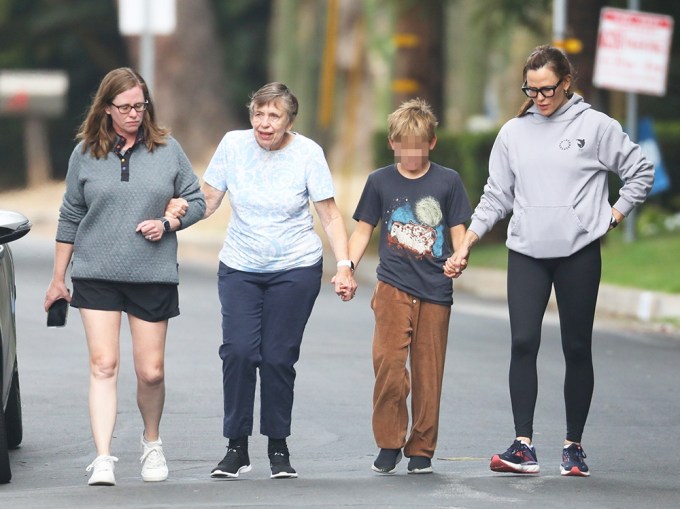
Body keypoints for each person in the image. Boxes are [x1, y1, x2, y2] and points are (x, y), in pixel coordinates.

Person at [447, 45, 655, 477]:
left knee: (576, 347)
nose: (539, 97)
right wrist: (468, 240)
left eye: (547, 89)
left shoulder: (596, 126)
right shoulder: (513, 134)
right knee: (523, 342)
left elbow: (640, 170)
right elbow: (496, 196)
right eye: (532, 89)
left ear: (566, 82)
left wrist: (614, 216)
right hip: (526, 252)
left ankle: (573, 446)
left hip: (578, 252)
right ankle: (523, 445)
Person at [43, 67, 206, 486]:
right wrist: (59, 277)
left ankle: (151, 443)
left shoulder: (168, 150)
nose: (134, 113)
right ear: (107, 108)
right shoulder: (85, 153)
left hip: (151, 273)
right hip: (96, 273)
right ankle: (103, 457)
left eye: (140, 105)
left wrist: (169, 223)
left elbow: (196, 200)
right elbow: (71, 216)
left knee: (151, 371)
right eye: (125, 107)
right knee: (104, 364)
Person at [200, 82, 356, 480]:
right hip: (240, 265)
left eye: (274, 116)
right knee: (237, 351)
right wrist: (168, 217)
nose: (264, 123)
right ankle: (236, 447)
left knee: (277, 358)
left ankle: (278, 446)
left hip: (295, 268)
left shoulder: (308, 154)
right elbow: (207, 200)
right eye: (258, 113)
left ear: (289, 122)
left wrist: (344, 264)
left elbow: (331, 216)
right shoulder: (233, 146)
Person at [348, 98, 472, 475]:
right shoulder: (380, 181)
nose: (412, 153)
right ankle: (389, 440)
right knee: (388, 363)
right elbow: (363, 230)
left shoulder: (447, 181)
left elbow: (458, 232)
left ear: (432, 143)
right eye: (405, 145)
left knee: (428, 372)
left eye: (419, 145)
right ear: (393, 143)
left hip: (435, 289)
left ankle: (421, 447)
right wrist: (347, 267)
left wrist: (460, 256)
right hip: (393, 287)